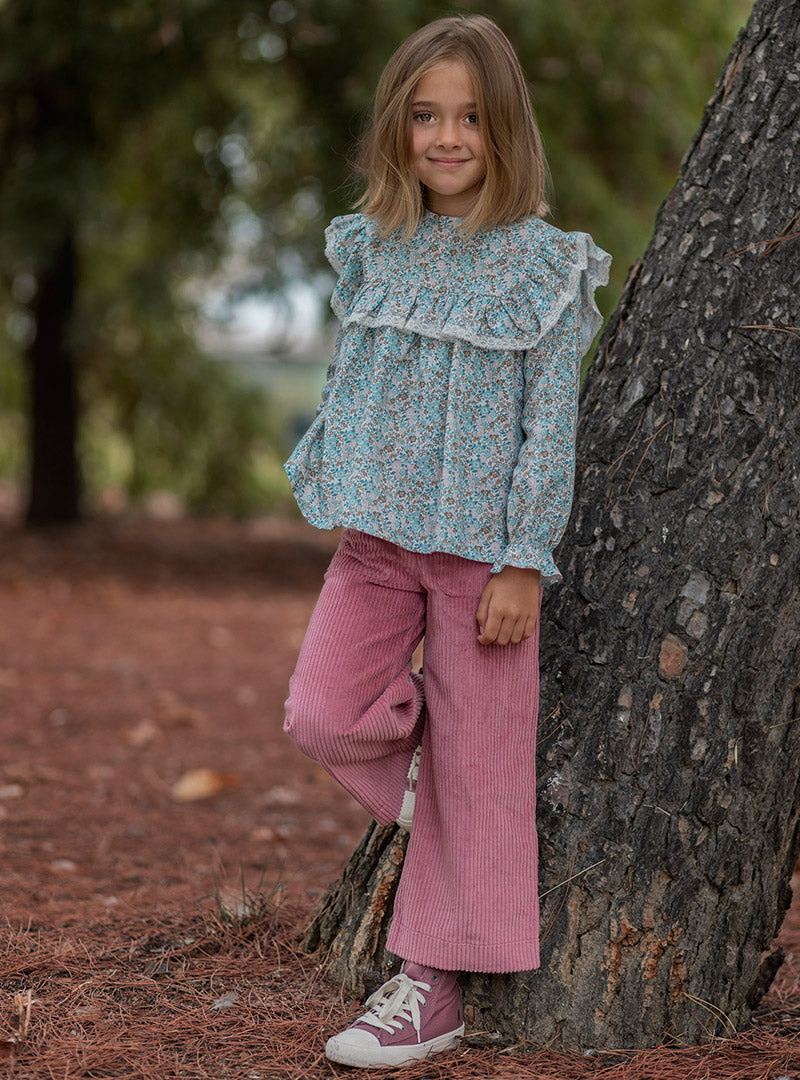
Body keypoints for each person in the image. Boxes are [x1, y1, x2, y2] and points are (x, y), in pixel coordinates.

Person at [283, 13, 610, 1070]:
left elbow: (545, 429)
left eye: (468, 116)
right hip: (374, 543)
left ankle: (431, 990)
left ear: (502, 128)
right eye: (424, 116)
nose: (446, 136)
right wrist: (330, 470)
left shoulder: (542, 267)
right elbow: (355, 382)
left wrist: (524, 557)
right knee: (322, 712)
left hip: (483, 562)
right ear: (397, 128)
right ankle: (443, 785)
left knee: (484, 757)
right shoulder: (369, 246)